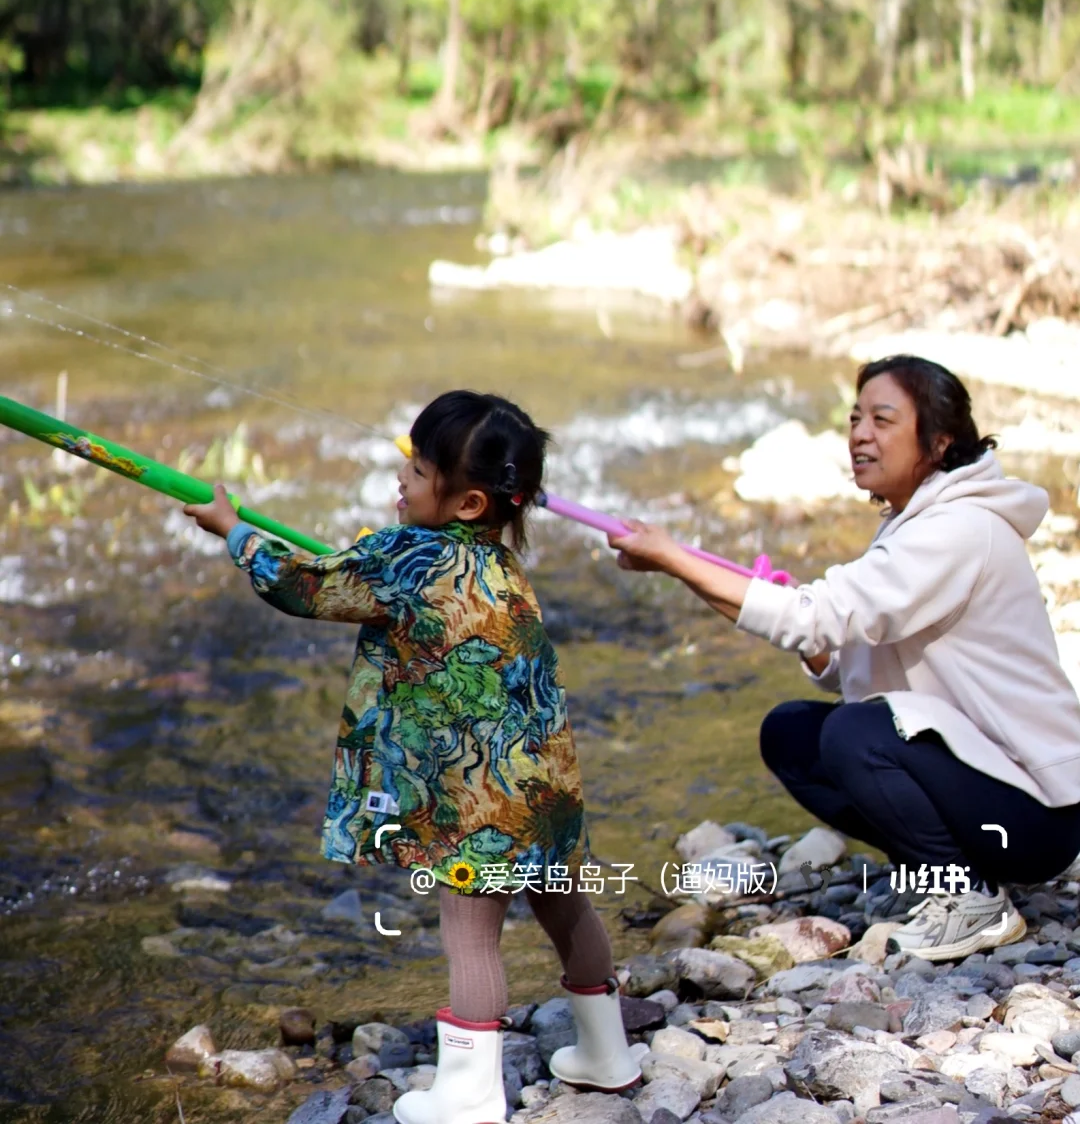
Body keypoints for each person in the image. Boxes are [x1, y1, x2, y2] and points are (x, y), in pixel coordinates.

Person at [185, 390, 643, 1124]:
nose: (402, 474)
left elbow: (306, 588)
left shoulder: (404, 555)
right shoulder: (501, 564)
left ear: (465, 502)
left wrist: (234, 532)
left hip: (474, 796)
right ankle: (607, 1053)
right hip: (546, 783)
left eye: (420, 467)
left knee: (470, 930)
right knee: (562, 904)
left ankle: (469, 1091)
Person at [606, 355, 1080, 963]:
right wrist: (805, 631)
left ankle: (970, 899)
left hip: (1035, 821)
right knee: (794, 733)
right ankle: (943, 876)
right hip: (994, 795)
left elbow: (815, 617)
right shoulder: (916, 521)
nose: (859, 434)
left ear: (938, 443)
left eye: (882, 420)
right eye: (856, 419)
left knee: (855, 734)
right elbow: (854, 656)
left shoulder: (957, 529)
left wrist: (674, 558)